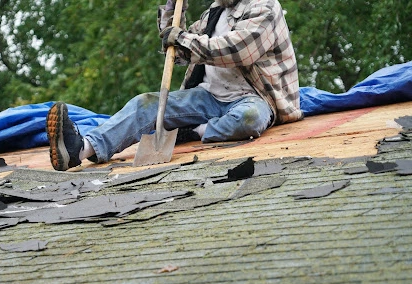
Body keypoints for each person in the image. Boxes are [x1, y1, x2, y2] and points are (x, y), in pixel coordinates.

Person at [46, 0, 302, 171]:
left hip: (254, 98)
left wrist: (182, 39)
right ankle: (79, 149)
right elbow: (177, 50)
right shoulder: (215, 13)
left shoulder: (265, 7)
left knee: (249, 117)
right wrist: (171, 11)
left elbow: (237, 50)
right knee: (145, 104)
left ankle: (194, 131)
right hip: (209, 98)